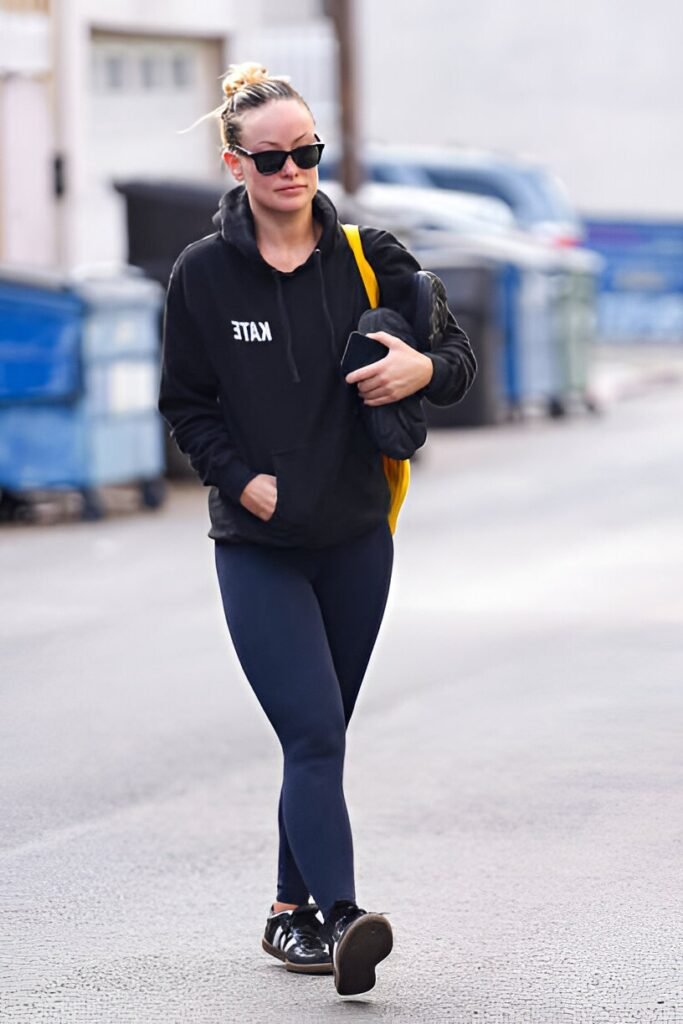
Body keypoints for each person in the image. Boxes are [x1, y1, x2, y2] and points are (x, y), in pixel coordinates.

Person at [158, 62, 476, 997]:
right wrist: (238, 480)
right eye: (271, 158)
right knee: (310, 731)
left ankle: (286, 912)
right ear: (236, 164)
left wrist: (421, 371)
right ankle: (342, 918)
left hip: (357, 538)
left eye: (307, 152)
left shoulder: (372, 256)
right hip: (258, 545)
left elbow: (454, 358)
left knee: (322, 734)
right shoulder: (203, 275)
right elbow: (185, 404)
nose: (292, 170)